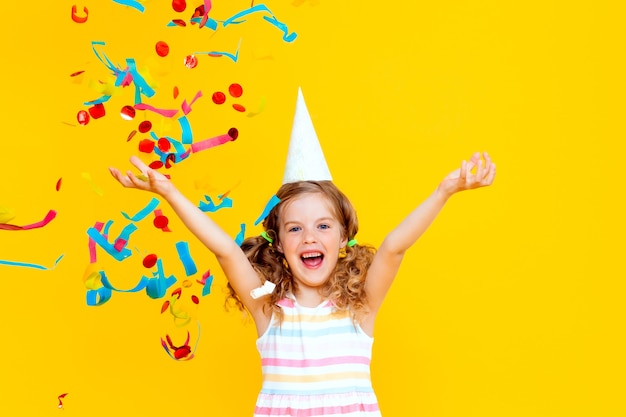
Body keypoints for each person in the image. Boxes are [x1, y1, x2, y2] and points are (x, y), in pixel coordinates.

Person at [108, 149, 495, 416]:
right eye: (295, 228)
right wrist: (168, 192)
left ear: (343, 239)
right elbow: (225, 250)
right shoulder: (267, 306)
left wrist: (445, 191)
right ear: (279, 243)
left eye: (323, 226)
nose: (310, 237)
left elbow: (393, 247)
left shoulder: (360, 306)